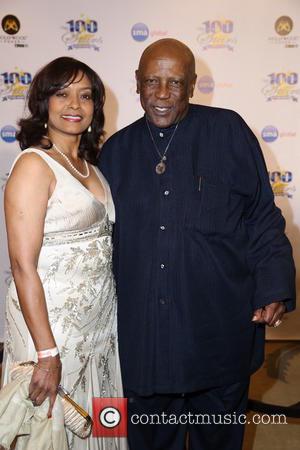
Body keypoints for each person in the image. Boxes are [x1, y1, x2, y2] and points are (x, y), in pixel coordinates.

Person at [99, 39, 296, 450]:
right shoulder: (115, 153)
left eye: (176, 82)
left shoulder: (229, 132)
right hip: (145, 341)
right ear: (137, 83)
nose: (163, 94)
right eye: (152, 81)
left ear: (192, 85)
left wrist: (274, 283)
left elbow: (261, 214)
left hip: (217, 329)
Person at [3, 56, 127, 450]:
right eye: (62, 94)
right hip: (53, 331)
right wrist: (46, 352)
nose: (75, 104)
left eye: (85, 95)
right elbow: (22, 266)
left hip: (101, 329)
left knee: (104, 419)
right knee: (51, 431)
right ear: (44, 103)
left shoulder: (90, 166)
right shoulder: (33, 165)